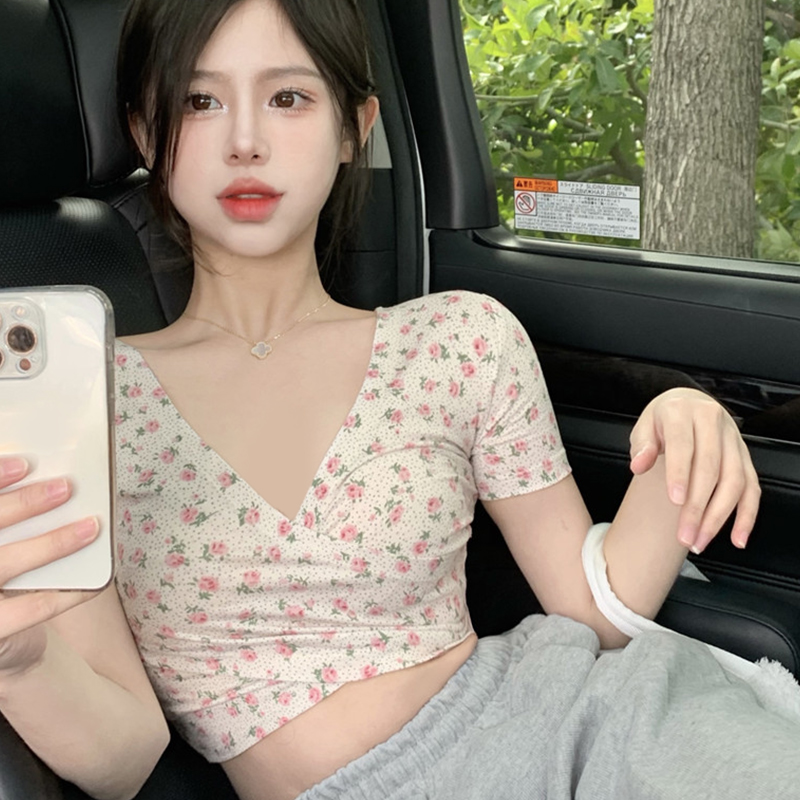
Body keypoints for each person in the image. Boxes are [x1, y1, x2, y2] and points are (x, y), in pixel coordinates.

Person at [0, 1, 798, 799]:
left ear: (355, 128)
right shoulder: (82, 406)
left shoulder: (460, 340)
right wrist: (18, 661)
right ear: (146, 133)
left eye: (288, 97)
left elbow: (592, 610)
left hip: (597, 721)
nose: (245, 140)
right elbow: (125, 758)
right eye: (199, 100)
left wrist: (685, 427)